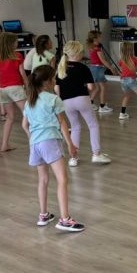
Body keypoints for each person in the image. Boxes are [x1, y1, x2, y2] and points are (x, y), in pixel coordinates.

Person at [22, 64, 84, 232]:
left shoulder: (29, 101)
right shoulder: (53, 99)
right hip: (49, 141)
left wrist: (33, 138)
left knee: (43, 180)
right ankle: (65, 219)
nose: (55, 80)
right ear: (47, 82)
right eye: (54, 78)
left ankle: (43, 215)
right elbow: (62, 122)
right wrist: (71, 144)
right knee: (62, 179)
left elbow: (24, 125)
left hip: (35, 144)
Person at [55, 40, 111, 166]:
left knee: (75, 127)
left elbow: (56, 89)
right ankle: (96, 154)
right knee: (93, 125)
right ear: (78, 53)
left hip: (66, 102)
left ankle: (73, 158)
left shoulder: (61, 68)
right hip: (82, 99)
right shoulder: (83, 68)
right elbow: (91, 87)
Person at [0, 32, 28, 153]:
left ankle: (4, 144)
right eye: (16, 41)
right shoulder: (17, 56)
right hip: (15, 88)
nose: (17, 43)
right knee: (28, 114)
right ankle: (34, 142)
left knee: (10, 117)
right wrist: (28, 86)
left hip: (3, 89)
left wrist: (0, 87)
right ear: (11, 43)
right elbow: (22, 73)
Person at [85, 30, 115, 113]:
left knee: (97, 88)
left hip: (93, 68)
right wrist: (111, 68)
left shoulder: (91, 48)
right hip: (98, 69)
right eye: (100, 37)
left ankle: (90, 103)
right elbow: (103, 61)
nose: (101, 38)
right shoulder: (97, 49)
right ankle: (102, 106)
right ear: (96, 38)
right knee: (103, 87)